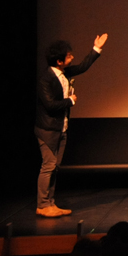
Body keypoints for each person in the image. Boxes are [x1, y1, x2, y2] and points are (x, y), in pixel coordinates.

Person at [35, 34, 108, 217]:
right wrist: (70, 101)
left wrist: (96, 48)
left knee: (55, 167)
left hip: (62, 127)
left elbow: (83, 66)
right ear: (59, 61)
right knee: (48, 166)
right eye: (68, 56)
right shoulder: (46, 79)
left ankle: (50, 203)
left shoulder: (64, 73)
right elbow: (50, 104)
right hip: (48, 130)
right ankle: (42, 204)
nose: (72, 58)